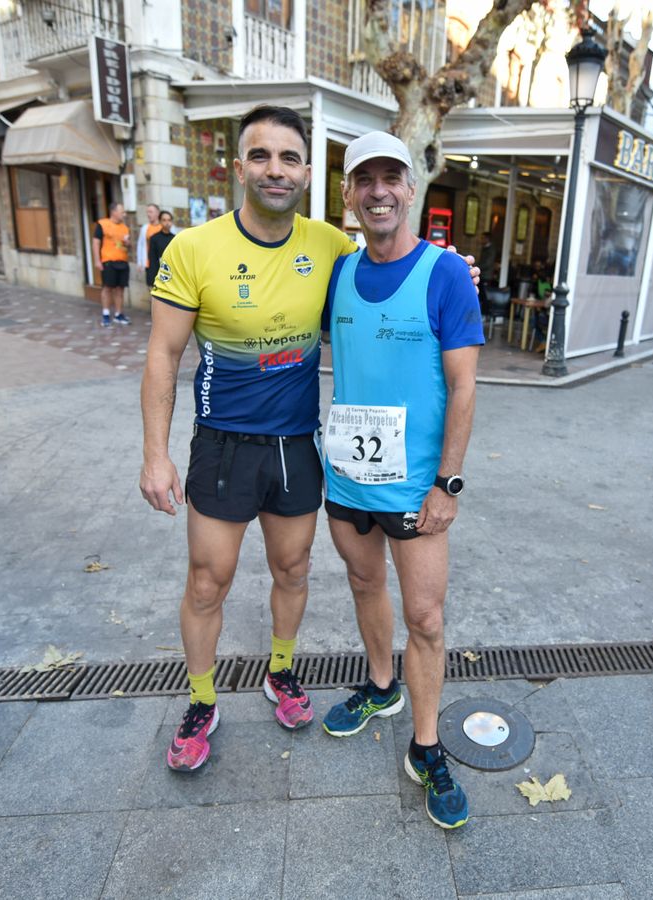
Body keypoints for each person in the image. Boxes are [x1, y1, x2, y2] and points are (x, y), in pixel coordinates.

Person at [139, 105, 478, 773]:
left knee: (301, 574)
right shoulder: (203, 249)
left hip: (302, 447)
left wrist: (452, 271)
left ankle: (288, 674)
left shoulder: (336, 249)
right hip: (228, 445)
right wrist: (155, 454)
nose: (275, 170)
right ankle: (205, 701)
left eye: (289, 158)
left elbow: (412, 300)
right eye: (261, 156)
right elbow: (162, 354)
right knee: (211, 581)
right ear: (240, 167)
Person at [317, 131, 484, 830]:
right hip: (348, 482)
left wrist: (447, 484)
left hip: (416, 490)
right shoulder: (339, 273)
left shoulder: (445, 274)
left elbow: (465, 385)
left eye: (392, 177)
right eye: (364, 179)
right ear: (350, 195)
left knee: (426, 619)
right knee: (363, 586)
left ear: (411, 190)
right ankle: (380, 686)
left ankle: (425, 745)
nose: (378, 190)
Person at [92, 202, 131, 326]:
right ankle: (106, 314)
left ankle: (119, 314)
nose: (123, 214)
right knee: (108, 288)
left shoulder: (125, 228)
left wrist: (128, 243)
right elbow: (96, 243)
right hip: (108, 261)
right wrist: (97, 260)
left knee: (120, 289)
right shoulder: (102, 224)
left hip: (122, 261)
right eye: (121, 211)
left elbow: (129, 245)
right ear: (113, 212)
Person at [145, 208, 175, 289]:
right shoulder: (154, 238)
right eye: (164, 220)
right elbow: (152, 259)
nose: (167, 223)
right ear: (160, 221)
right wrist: (152, 278)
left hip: (172, 275)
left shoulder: (175, 238)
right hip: (159, 274)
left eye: (169, 220)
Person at [135, 201, 161, 280]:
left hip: (162, 263)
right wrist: (140, 262)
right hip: (149, 262)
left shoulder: (164, 227)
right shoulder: (145, 228)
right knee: (151, 286)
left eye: (151, 212)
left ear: (157, 213)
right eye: (147, 212)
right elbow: (140, 245)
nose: (148, 214)